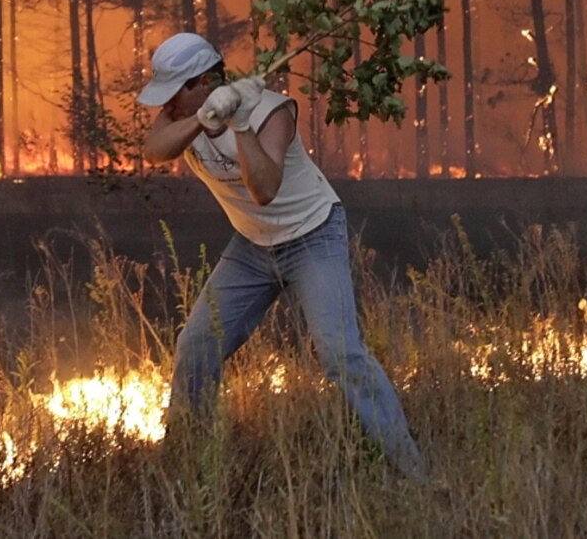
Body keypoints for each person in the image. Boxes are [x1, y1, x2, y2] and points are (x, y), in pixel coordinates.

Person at [139, 32, 428, 480]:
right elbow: (154, 150)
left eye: (176, 92)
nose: (168, 104)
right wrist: (202, 117)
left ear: (206, 79)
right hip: (251, 246)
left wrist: (238, 124)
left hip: (313, 235)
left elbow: (266, 189)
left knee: (339, 354)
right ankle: (185, 468)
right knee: (196, 345)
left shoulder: (272, 112)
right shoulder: (184, 114)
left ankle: (411, 470)